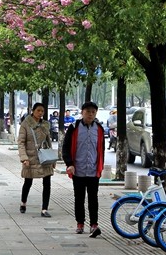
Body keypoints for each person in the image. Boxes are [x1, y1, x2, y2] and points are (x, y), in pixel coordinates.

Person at [61, 101, 106, 236]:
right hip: (78, 170)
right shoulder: (74, 128)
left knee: (93, 198)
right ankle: (80, 223)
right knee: (79, 198)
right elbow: (66, 148)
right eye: (88, 112)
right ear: (82, 113)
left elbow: (101, 149)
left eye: (93, 112)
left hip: (93, 170)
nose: (90, 114)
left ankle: (94, 224)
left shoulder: (99, 129)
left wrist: (100, 166)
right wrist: (69, 163)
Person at [18, 102, 54, 218]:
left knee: (47, 183)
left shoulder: (45, 125)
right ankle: (23, 202)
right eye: (38, 110)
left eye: (42, 111)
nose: (40, 113)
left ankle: (44, 209)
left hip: (44, 157)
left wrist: (52, 159)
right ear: (33, 111)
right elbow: (21, 142)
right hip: (31, 158)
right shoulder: (25, 124)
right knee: (28, 182)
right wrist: (24, 158)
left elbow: (48, 142)